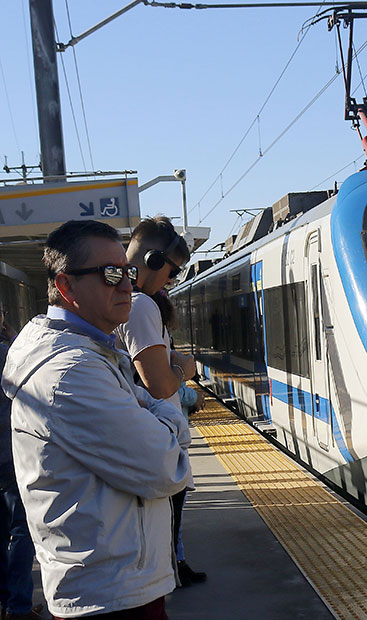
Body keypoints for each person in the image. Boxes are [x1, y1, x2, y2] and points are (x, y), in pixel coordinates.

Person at [0, 220, 191, 618]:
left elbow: (145, 402)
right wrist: (169, 413)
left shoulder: (93, 355)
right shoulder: (71, 373)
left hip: (116, 584)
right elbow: (167, 464)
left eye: (127, 272)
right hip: (108, 595)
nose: (126, 286)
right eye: (110, 274)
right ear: (66, 287)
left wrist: (150, 407)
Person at [114, 217, 205, 587]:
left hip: (147, 431)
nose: (171, 281)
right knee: (167, 518)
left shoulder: (131, 303)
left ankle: (172, 569)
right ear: (153, 261)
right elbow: (157, 385)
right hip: (156, 434)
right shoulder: (140, 307)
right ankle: (170, 575)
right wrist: (184, 369)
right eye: (171, 271)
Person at [0, 303, 46, 620]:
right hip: (8, 456)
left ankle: (6, 602)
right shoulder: (8, 352)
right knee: (22, 532)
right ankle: (17, 606)